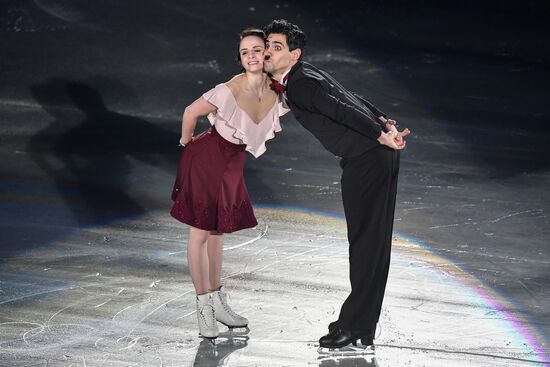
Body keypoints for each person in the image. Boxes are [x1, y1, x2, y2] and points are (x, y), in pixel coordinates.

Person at [263, 19, 410, 350]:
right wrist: (382, 119)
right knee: (372, 246)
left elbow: (342, 109)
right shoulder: (302, 75)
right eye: (268, 44)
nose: (270, 52)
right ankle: (363, 326)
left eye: (277, 47)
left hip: (368, 158)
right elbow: (349, 94)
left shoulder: (299, 84)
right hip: (373, 155)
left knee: (364, 246)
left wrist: (379, 133)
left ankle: (350, 326)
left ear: (294, 54)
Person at [170, 28, 288, 340]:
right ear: (240, 58)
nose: (251, 55)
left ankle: (218, 301)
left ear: (266, 53)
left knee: (217, 234)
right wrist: (186, 144)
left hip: (231, 168)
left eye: (257, 49)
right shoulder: (228, 89)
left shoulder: (275, 90)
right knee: (199, 234)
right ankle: (204, 308)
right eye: (245, 51)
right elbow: (190, 112)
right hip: (206, 162)